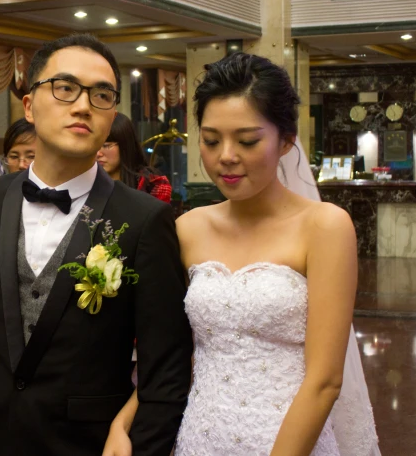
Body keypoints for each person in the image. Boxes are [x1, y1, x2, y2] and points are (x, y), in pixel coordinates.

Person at [104, 53, 380, 455]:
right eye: (212, 140)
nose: (226, 156)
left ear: (286, 140)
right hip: (201, 434)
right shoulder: (187, 228)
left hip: (288, 440)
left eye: (247, 140)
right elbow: (178, 355)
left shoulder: (324, 227)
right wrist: (122, 421)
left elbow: (324, 381)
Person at [0, 33, 193, 456]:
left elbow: (165, 366)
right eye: (64, 88)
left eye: (101, 95)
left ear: (112, 113)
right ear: (29, 105)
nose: (82, 106)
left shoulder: (144, 219)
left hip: (88, 444)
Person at [96, 113, 172, 203]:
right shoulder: (83, 184)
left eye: (105, 146)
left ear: (125, 145)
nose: (98, 153)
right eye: (94, 145)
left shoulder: (153, 186)